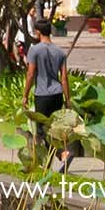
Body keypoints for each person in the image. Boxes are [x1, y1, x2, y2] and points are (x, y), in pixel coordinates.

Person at [24, 18, 71, 167]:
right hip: (57, 94)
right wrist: (68, 99)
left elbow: (30, 74)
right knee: (53, 129)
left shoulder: (34, 50)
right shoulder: (60, 52)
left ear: (38, 32)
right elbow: (64, 78)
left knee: (41, 130)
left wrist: (25, 95)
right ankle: (49, 163)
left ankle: (61, 153)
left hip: (42, 95)